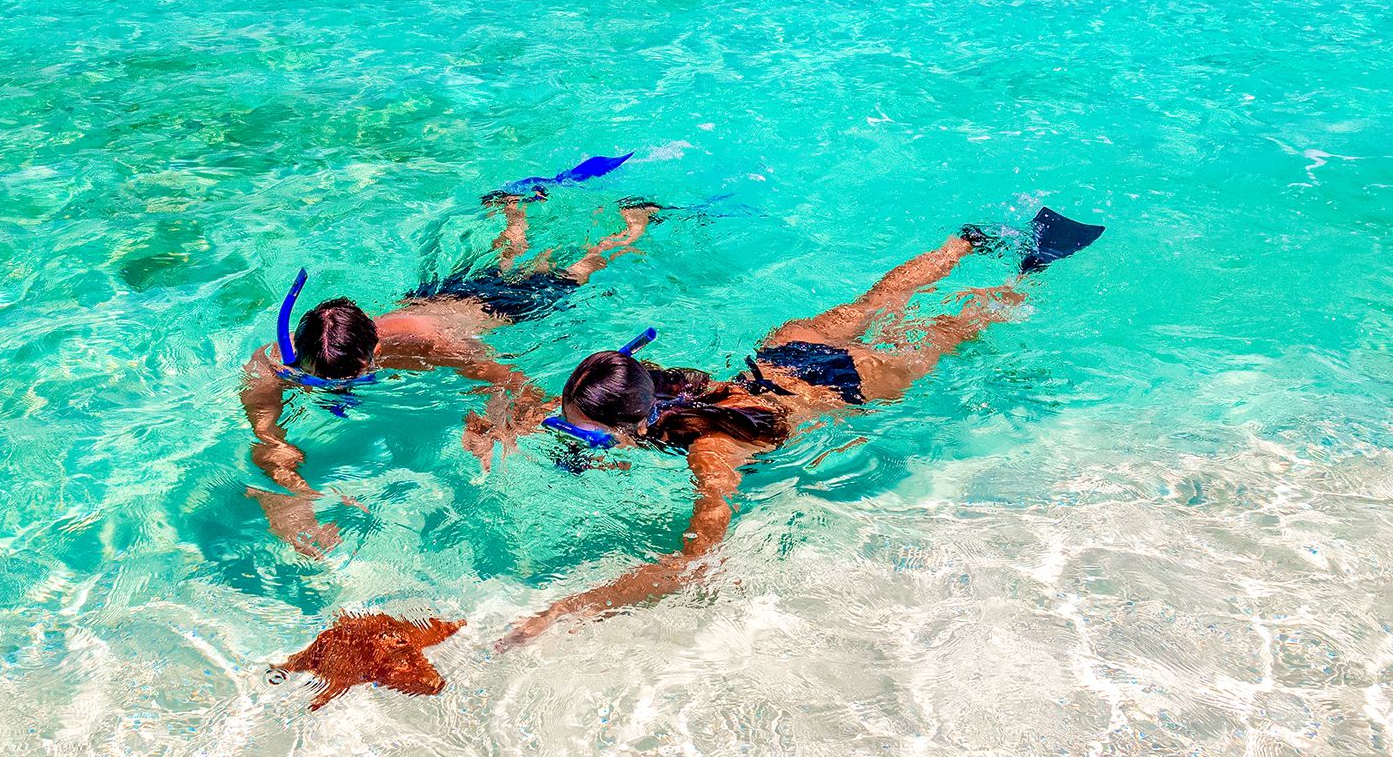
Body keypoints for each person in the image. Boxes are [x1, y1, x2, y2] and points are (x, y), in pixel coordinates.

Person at [504, 207, 1104, 644]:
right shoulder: (654, 384)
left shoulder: (710, 454)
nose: (577, 430)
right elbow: (566, 409)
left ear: (632, 424)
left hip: (851, 385)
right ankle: (964, 242)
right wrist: (510, 424)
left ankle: (1027, 274)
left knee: (948, 333)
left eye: (589, 429)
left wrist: (563, 611)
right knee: (873, 305)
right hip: (784, 353)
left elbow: (690, 565)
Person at [243, 189, 661, 556]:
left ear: (375, 351)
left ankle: (633, 223)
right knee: (508, 259)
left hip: (497, 310)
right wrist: (292, 496)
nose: (339, 390)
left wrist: (499, 425)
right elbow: (265, 434)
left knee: (575, 272)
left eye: (356, 379)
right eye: (322, 381)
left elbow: (503, 377)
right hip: (436, 298)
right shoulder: (281, 360)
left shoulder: (426, 343)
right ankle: (514, 210)